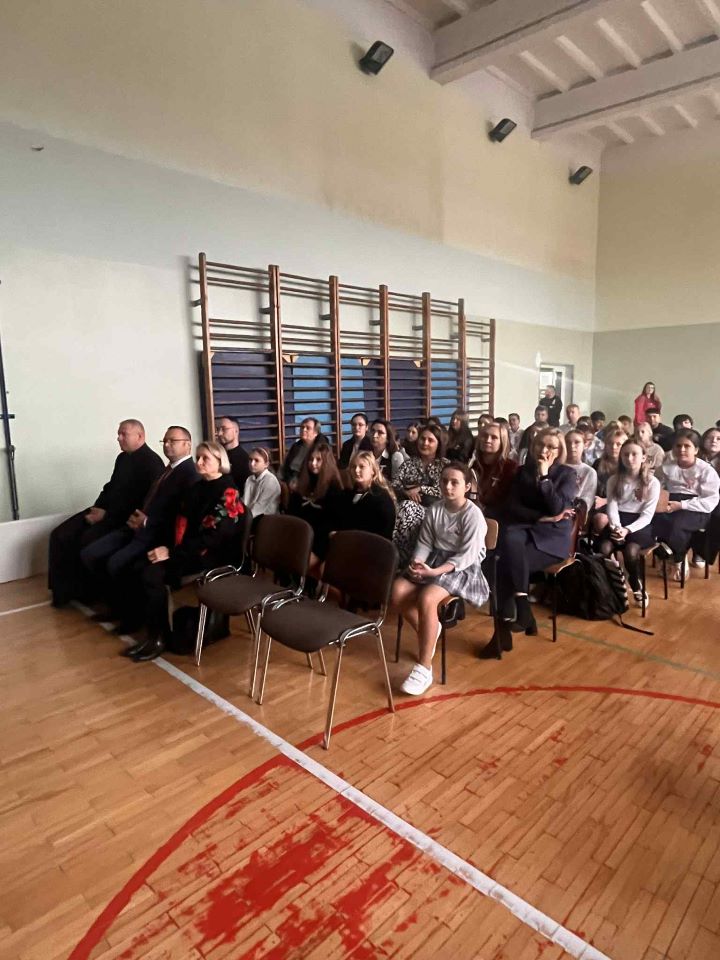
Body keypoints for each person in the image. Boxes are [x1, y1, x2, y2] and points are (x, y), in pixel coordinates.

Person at [123, 441, 245, 661]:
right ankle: (154, 630)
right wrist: (165, 547)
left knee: (152, 575)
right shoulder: (197, 487)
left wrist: (171, 552)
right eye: (198, 457)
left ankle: (158, 638)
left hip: (212, 555)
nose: (199, 462)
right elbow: (178, 523)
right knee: (139, 564)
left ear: (220, 462)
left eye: (205, 458)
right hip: (189, 548)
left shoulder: (228, 491)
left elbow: (213, 537)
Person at [391, 462, 488, 696]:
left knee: (427, 598)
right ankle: (430, 630)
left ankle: (424, 667)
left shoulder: (473, 515)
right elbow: (425, 542)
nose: (448, 486)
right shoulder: (435, 509)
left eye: (455, 482)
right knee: (397, 591)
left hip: (461, 567)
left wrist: (434, 573)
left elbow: (466, 557)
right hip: (435, 560)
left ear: (467, 487)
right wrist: (417, 563)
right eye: (444, 481)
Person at [481, 428, 576, 657]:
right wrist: (540, 517)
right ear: (532, 447)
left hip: (552, 538)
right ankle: (522, 610)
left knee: (503, 565)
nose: (544, 450)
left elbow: (557, 507)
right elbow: (512, 507)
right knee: (507, 546)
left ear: (559, 451)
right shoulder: (522, 471)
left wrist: (544, 477)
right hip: (526, 529)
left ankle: (503, 633)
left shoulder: (567, 474)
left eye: (551, 447)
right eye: (540, 445)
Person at [48, 419, 164, 607]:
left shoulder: (152, 463)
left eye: (123, 434)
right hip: (104, 510)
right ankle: (63, 592)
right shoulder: (122, 458)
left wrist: (106, 516)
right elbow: (110, 487)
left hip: (120, 519)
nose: (118, 438)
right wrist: (98, 507)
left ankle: (87, 593)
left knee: (86, 538)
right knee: (60, 534)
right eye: (119, 434)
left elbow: (142, 503)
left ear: (140, 436)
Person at [80, 425, 199, 599]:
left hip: (156, 534)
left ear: (187, 444)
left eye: (172, 441)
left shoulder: (190, 474)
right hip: (138, 526)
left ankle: (124, 609)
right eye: (165, 441)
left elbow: (179, 515)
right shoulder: (168, 469)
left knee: (115, 562)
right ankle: (109, 600)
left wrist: (146, 522)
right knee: (90, 553)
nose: (167, 445)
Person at [652, 430, 720, 581]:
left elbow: (710, 501)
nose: (681, 449)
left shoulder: (706, 471)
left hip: (696, 508)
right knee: (656, 521)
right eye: (678, 446)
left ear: (696, 450)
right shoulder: (665, 468)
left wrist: (682, 505)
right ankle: (666, 555)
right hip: (671, 503)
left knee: (677, 525)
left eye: (687, 446)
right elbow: (656, 488)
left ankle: (678, 558)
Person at [600, 439, 661, 607]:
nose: (629, 458)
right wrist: (616, 527)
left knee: (631, 551)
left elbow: (647, 515)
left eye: (634, 454)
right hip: (618, 521)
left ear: (643, 457)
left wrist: (627, 530)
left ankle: (636, 584)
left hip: (640, 524)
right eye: (625, 454)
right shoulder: (614, 480)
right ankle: (614, 584)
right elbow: (612, 507)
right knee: (604, 548)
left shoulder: (652, 482)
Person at [392, 423, 449, 568]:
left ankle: (401, 560)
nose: (425, 443)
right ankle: (399, 557)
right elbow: (394, 486)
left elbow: (444, 491)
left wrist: (420, 488)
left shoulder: (444, 466)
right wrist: (406, 492)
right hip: (405, 509)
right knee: (403, 508)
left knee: (407, 507)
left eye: (430, 440)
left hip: (434, 511)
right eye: (423, 439)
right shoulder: (409, 464)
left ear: (438, 444)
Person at [286, 441, 343, 574]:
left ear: (326, 462)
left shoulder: (334, 489)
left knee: (298, 561)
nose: (313, 463)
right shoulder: (303, 484)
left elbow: (333, 523)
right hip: (301, 536)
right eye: (311, 459)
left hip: (320, 541)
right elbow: (292, 513)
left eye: (318, 460)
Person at [332, 451, 396, 540]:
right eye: (354, 467)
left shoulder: (381, 497)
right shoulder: (348, 493)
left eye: (362, 467)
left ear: (373, 470)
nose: (356, 470)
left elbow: (380, 532)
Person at [468, 422, 516, 515]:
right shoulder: (474, 466)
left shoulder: (510, 467)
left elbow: (508, 504)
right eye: (484, 436)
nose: (488, 440)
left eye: (494, 437)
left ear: (502, 442)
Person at [692, 427, 720, 567]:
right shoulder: (694, 457)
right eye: (710, 438)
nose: (714, 441)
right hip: (693, 495)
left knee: (716, 517)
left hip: (717, 498)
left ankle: (703, 552)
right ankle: (680, 553)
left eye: (718, 439)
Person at [591, 428, 627, 536]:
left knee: (603, 519)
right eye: (610, 443)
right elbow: (591, 486)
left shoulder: (628, 466)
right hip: (599, 505)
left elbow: (629, 494)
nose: (614, 447)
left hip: (622, 506)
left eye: (618, 444)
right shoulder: (598, 463)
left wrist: (605, 501)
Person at [279, 417, 322, 488]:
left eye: (308, 428)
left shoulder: (321, 449)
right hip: (290, 481)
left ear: (316, 433)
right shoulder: (296, 446)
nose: (303, 430)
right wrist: (280, 481)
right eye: (302, 427)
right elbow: (284, 466)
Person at [243, 447, 281, 522]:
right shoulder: (249, 479)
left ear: (266, 464)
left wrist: (242, 518)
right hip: (251, 516)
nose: (252, 464)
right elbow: (245, 502)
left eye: (256, 460)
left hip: (267, 520)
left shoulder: (270, 481)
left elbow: (259, 508)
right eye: (250, 460)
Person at [564, 429, 598, 513]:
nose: (572, 446)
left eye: (577, 442)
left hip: (573, 513)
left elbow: (587, 501)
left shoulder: (589, 472)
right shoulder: (556, 467)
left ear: (585, 445)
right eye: (568, 442)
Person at [215, 416, 250, 490]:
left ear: (236, 431)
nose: (219, 433)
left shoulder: (245, 459)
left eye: (224, 429)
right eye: (218, 429)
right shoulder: (216, 457)